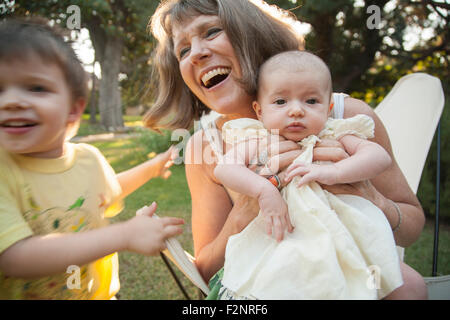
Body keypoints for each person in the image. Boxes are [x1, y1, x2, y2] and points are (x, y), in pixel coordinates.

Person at [145, 0, 427, 299]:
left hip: (347, 263)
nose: (197, 53)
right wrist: (247, 207)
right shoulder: (206, 148)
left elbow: (412, 226)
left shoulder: (346, 118)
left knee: (409, 287)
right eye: (183, 50)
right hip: (266, 278)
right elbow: (205, 271)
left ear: (254, 33)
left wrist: (371, 198)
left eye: (212, 32)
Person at [0, 18, 184, 300]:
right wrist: (124, 235)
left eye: (36, 88)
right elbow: (15, 256)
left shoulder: (87, 159)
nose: (10, 101)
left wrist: (153, 166)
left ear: (74, 110)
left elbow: (103, 193)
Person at [214, 50, 403, 299]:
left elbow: (378, 157)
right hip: (282, 237)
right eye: (281, 102)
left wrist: (334, 171)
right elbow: (225, 167)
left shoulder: (334, 133)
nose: (296, 111)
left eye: (311, 101)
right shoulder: (260, 139)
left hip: (339, 239)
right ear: (259, 111)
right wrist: (263, 189)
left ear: (328, 108)